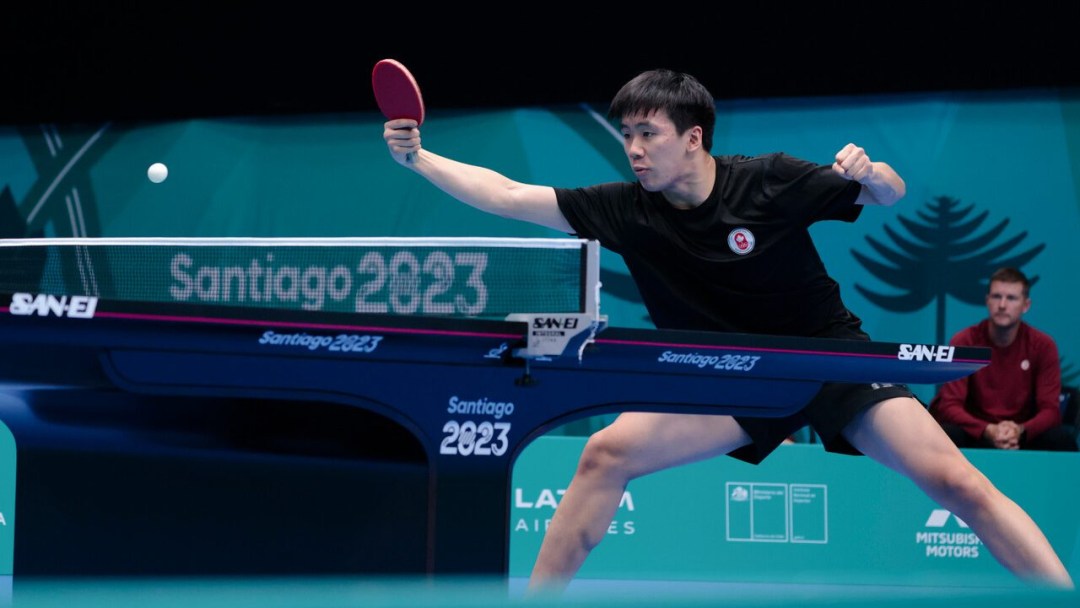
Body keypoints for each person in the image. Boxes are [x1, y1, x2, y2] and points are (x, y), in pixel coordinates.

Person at [382, 69, 1074, 590]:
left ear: (693, 138)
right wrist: (418, 159)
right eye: (626, 135)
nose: (633, 150)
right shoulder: (626, 209)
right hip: (725, 374)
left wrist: (875, 172)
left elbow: (884, 193)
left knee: (957, 483)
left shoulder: (767, 182)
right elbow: (507, 196)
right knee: (604, 455)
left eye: (647, 134)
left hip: (830, 358)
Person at [931, 268, 1077, 451]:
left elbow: (1050, 411)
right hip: (975, 433)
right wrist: (987, 430)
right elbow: (949, 406)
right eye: (996, 296)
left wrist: (1020, 431)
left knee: (1060, 439)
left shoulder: (1043, 345)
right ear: (987, 301)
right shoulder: (964, 342)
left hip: (1022, 436)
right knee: (947, 434)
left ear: (1026, 305)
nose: (1002, 304)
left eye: (1011, 298)